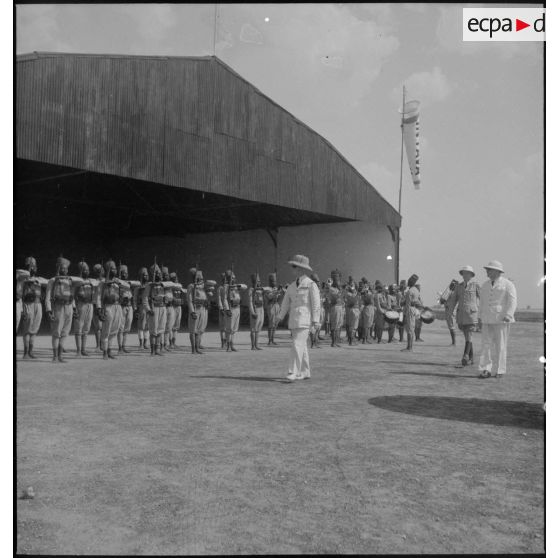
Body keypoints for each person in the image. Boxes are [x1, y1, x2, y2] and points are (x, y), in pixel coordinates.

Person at [277, 255, 321, 381]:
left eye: (294, 266)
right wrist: (280, 316)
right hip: (294, 320)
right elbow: (286, 303)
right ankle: (305, 371)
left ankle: (293, 372)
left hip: (305, 320)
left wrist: (316, 321)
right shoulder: (291, 286)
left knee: (297, 344)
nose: (292, 269)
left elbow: (316, 304)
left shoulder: (311, 284)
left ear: (302, 269)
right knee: (301, 346)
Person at [477, 260, 517, 379]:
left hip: (501, 319)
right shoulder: (485, 285)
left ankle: (500, 370)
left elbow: (512, 301)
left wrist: (509, 315)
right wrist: (479, 317)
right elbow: (482, 303)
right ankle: (485, 369)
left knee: (501, 345)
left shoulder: (508, 284)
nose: (487, 272)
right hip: (486, 318)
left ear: (497, 271)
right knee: (485, 345)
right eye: (487, 270)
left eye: (489, 270)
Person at [45, 257, 77, 363]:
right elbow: (48, 296)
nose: (65, 270)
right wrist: (49, 310)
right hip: (58, 307)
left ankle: (60, 356)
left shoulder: (70, 281)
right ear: (58, 268)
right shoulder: (53, 280)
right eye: (62, 268)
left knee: (65, 332)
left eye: (66, 269)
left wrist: (74, 307)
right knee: (56, 332)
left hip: (69, 307)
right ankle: (54, 357)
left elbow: (72, 295)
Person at [448, 267, 481, 366]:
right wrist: (450, 311)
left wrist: (483, 313)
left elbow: (483, 298)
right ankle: (471, 358)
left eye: (467, 273)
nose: (465, 275)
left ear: (471, 275)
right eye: (464, 273)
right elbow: (454, 300)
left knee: (469, 335)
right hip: (461, 315)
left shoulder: (475, 286)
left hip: (472, 315)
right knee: (467, 336)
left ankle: (465, 356)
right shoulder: (459, 286)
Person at [19, 257, 47, 359]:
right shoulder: (23, 278)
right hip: (28, 304)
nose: (33, 268)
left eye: (34, 266)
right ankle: (25, 353)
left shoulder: (39, 279)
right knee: (27, 329)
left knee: (34, 329)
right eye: (30, 266)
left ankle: (31, 351)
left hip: (38, 304)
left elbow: (50, 281)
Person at [96, 260, 123, 360]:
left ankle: (110, 350)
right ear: (107, 270)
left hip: (117, 306)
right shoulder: (102, 283)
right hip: (108, 306)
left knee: (114, 330)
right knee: (106, 330)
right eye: (112, 269)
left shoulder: (117, 282)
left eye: (115, 269)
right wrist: (99, 309)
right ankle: (105, 352)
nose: (114, 271)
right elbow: (98, 296)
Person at [187, 267, 214, 354]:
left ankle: (197, 347)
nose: (201, 279)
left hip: (203, 309)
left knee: (200, 330)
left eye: (202, 278)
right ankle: (193, 349)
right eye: (199, 278)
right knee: (193, 329)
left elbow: (210, 294)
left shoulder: (203, 286)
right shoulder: (191, 286)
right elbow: (189, 300)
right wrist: (192, 311)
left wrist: (208, 289)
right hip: (196, 309)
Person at [73, 259, 96, 357]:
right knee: (79, 328)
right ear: (80, 271)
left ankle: (83, 349)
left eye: (87, 270)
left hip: (90, 305)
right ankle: (78, 350)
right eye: (84, 270)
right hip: (80, 305)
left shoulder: (92, 281)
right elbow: (73, 296)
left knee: (86, 328)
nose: (86, 272)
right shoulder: (77, 282)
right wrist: (74, 308)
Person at [143, 263, 166, 356]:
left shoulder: (164, 284)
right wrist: (148, 309)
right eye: (156, 273)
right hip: (154, 309)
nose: (158, 274)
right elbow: (144, 298)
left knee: (161, 329)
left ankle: (157, 349)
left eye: (159, 273)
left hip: (162, 308)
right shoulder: (149, 285)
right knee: (153, 330)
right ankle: (152, 350)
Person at [222, 269, 246, 352]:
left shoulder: (236, 286)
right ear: (228, 278)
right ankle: (228, 345)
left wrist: (237, 286)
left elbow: (245, 287)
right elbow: (224, 299)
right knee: (229, 328)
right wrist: (227, 309)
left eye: (234, 278)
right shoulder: (226, 286)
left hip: (237, 308)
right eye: (232, 278)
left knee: (234, 329)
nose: (233, 279)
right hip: (230, 308)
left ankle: (232, 345)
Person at [401, 274, 423, 352]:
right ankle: (410, 347)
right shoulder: (416, 290)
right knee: (412, 328)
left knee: (409, 328)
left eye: (409, 281)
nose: (408, 282)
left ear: (411, 282)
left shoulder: (410, 291)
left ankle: (409, 348)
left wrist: (404, 314)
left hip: (409, 309)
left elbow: (408, 304)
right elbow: (419, 302)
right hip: (414, 309)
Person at [117, 263, 135, 354]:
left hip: (129, 306)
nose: (125, 275)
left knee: (127, 328)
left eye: (126, 273)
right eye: (123, 273)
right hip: (121, 306)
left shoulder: (128, 284)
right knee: (121, 327)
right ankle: (120, 347)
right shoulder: (118, 283)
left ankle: (124, 346)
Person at [264, 273, 283, 346]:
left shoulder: (275, 288)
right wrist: (277, 291)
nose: (274, 283)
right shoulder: (267, 289)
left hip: (276, 305)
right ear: (269, 282)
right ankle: (269, 340)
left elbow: (279, 297)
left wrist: (281, 291)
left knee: (276, 323)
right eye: (272, 281)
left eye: (275, 281)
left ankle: (273, 339)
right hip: (271, 306)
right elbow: (270, 297)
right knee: (271, 323)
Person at [133, 267, 150, 349]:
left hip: (148, 308)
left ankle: (146, 343)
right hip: (140, 308)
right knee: (140, 326)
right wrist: (135, 309)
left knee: (147, 326)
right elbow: (135, 299)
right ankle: (141, 343)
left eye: (147, 275)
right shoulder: (137, 287)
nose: (146, 277)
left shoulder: (150, 286)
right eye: (144, 275)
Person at [327, 269, 344, 347]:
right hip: (335, 307)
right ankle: (333, 342)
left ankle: (336, 341)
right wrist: (340, 290)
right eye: (337, 280)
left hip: (340, 307)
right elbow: (336, 298)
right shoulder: (331, 289)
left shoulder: (337, 289)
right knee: (334, 324)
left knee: (338, 325)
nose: (339, 282)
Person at [248, 272, 265, 350]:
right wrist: (252, 312)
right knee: (253, 328)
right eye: (257, 281)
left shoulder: (260, 290)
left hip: (261, 309)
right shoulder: (251, 290)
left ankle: (256, 344)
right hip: (255, 309)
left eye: (259, 281)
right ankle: (252, 346)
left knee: (258, 328)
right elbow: (250, 302)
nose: (259, 283)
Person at [439, 279, 459, 346]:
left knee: (451, 327)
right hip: (451, 311)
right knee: (451, 326)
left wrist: (442, 297)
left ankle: (454, 342)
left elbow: (442, 301)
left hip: (450, 311)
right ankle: (454, 342)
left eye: (452, 285)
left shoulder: (451, 293)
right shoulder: (455, 293)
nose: (450, 286)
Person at [91, 263, 105, 351]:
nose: (101, 272)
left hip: (105, 304)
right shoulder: (93, 281)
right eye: (99, 271)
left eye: (102, 270)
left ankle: (103, 344)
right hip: (96, 304)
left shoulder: (106, 281)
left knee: (105, 326)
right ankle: (98, 345)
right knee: (98, 327)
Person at [169, 271, 184, 349]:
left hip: (178, 307)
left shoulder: (179, 286)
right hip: (172, 307)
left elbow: (182, 293)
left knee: (176, 325)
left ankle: (174, 342)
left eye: (176, 277)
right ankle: (170, 342)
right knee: (171, 325)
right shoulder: (170, 286)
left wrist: (181, 300)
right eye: (174, 278)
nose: (176, 279)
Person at [344, 280, 361, 346]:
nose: (352, 287)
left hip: (355, 310)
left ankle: (351, 340)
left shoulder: (355, 293)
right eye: (351, 285)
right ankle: (351, 341)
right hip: (353, 310)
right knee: (353, 326)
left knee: (353, 326)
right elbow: (349, 301)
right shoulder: (349, 294)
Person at [309, 273, 323, 348]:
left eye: (319, 281)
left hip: (318, 310)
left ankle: (316, 342)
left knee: (318, 327)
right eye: (317, 281)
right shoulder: (311, 288)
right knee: (313, 328)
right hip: (313, 311)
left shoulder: (318, 290)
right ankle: (312, 343)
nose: (319, 283)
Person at [217, 273, 227, 349]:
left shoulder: (229, 287)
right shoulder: (220, 288)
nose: (225, 280)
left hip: (229, 309)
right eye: (224, 279)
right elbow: (219, 299)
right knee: (222, 328)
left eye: (226, 279)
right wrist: (221, 308)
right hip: (223, 309)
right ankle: (223, 343)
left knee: (228, 327)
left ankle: (227, 342)